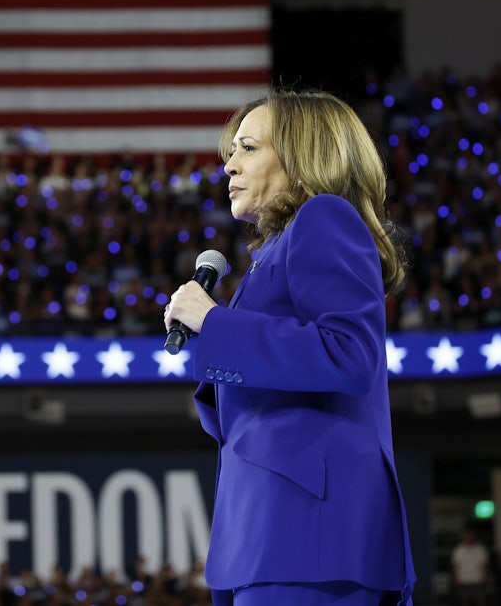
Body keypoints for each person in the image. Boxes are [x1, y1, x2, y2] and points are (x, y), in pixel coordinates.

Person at [163, 89, 415, 605]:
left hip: (309, 535)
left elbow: (349, 354)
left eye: (248, 148)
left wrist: (214, 324)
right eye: (230, 151)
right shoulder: (266, 258)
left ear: (303, 158)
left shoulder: (323, 217)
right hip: (272, 536)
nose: (229, 165)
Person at [450, 528, 490, 606]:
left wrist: (486, 577)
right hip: (463, 580)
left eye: (471, 536)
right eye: (467, 537)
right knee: (465, 601)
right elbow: (455, 566)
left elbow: (485, 565)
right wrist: (455, 579)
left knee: (480, 600)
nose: (469, 538)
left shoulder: (480, 549)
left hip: (478, 580)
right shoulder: (459, 550)